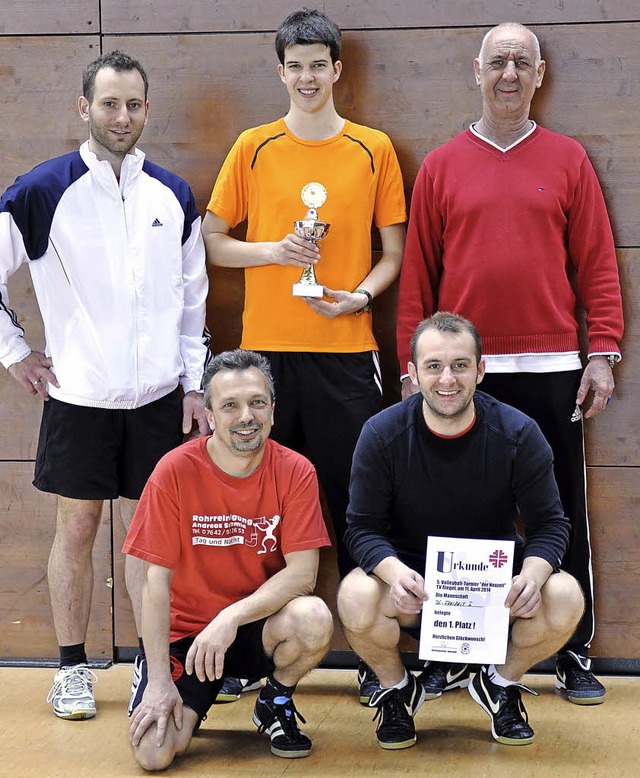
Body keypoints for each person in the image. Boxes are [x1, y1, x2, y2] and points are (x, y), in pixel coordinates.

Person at [396, 22, 623, 705]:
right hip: (457, 377)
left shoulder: (568, 160)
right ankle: (444, 654)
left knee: (561, 514)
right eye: (499, 61)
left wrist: (602, 351)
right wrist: (413, 369)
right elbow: (417, 278)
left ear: (541, 74)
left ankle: (571, 652)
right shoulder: (440, 165)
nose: (510, 73)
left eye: (523, 62)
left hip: (553, 367)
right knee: (451, 511)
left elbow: (598, 264)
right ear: (477, 70)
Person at [0, 50, 210, 720]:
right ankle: (71, 669)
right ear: (83, 108)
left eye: (135, 105)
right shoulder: (40, 191)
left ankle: (154, 665)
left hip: (158, 400)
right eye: (110, 104)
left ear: (147, 109)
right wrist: (13, 353)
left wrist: (195, 385)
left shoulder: (172, 194)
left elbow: (193, 302)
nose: (124, 117)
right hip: (80, 399)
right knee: (78, 527)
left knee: (155, 540)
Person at [202, 8, 406, 700]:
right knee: (257, 510)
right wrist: (275, 253)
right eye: (296, 65)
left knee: (358, 509)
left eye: (320, 64)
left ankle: (377, 666)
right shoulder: (253, 146)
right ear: (280, 70)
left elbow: (393, 255)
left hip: (346, 353)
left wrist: (358, 299)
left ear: (337, 70)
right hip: (264, 361)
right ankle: (246, 657)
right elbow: (213, 239)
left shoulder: (372, 149)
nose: (309, 76)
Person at [338, 313, 584, 749]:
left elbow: (551, 525)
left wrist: (533, 576)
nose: (446, 379)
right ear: (412, 374)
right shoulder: (381, 433)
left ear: (480, 370)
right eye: (433, 366)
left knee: (565, 596)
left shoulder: (519, 433)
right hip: (414, 588)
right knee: (355, 595)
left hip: (495, 589)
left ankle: (500, 684)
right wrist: (393, 575)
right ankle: (397, 691)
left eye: (460, 365)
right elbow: (361, 529)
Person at [123, 349, 333, 770]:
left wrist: (230, 618)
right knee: (154, 755)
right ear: (210, 415)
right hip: (187, 636)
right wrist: (160, 678)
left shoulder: (296, 471)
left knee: (313, 617)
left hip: (253, 628)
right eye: (230, 405)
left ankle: (273, 701)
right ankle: (152, 678)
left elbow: (304, 575)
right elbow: (153, 582)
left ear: (273, 409)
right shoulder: (174, 471)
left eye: (257, 402)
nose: (246, 416)